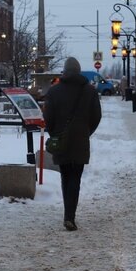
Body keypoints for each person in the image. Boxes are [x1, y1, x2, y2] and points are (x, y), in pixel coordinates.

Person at [43, 57, 102, 231]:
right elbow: (96, 116)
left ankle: (67, 214)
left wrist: (55, 134)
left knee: (65, 175)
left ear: (65, 71)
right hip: (80, 140)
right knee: (75, 177)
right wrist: (86, 132)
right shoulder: (89, 91)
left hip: (61, 140)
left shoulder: (54, 92)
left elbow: (48, 118)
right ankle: (70, 216)